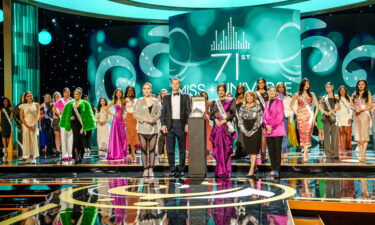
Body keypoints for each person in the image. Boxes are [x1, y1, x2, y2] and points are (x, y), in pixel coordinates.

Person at [160, 78, 191, 178]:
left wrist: (187, 124)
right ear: (171, 85)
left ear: (179, 85)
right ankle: (172, 169)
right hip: (170, 125)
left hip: (181, 124)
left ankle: (181, 169)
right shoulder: (166, 97)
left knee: (182, 149)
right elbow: (163, 113)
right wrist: (163, 124)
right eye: (173, 84)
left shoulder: (186, 97)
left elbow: (188, 112)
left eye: (177, 83)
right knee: (170, 149)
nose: (175, 85)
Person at [59, 88, 96, 164]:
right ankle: (75, 156)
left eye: (77, 94)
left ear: (80, 95)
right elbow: (66, 114)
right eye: (75, 94)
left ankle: (80, 154)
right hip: (74, 124)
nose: (76, 95)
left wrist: (89, 123)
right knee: (75, 140)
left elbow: (89, 115)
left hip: (81, 124)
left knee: (81, 140)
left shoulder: (85, 103)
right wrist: (70, 117)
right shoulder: (70, 103)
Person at [210, 83, 237, 178]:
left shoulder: (231, 100)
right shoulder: (214, 101)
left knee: (226, 149)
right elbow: (212, 114)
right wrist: (216, 120)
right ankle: (219, 170)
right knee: (218, 149)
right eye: (219, 90)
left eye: (222, 89)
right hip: (217, 128)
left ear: (225, 90)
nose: (221, 91)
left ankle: (226, 170)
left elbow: (233, 113)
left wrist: (224, 121)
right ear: (217, 91)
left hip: (226, 127)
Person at [134, 82, 161, 177]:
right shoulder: (139, 101)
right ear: (142, 90)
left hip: (153, 127)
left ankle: (151, 169)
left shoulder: (156, 101)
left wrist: (153, 119)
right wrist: (144, 119)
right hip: (142, 128)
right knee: (144, 149)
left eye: (148, 88)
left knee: (152, 149)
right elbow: (135, 114)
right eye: (145, 88)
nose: (146, 90)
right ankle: (145, 168)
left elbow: (159, 112)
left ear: (151, 89)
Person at [290, 78, 319, 162]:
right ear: (302, 85)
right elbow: (291, 105)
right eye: (305, 84)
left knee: (308, 133)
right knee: (302, 133)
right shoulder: (297, 94)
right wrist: (297, 113)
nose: (307, 86)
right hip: (301, 116)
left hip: (309, 116)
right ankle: (305, 150)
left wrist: (314, 116)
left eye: (308, 84)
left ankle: (306, 151)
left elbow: (317, 106)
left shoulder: (312, 94)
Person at [237, 91, 262, 177]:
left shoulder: (258, 106)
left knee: (254, 150)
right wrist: (244, 131)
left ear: (253, 97)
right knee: (250, 150)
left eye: (251, 96)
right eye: (247, 96)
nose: (249, 98)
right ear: (245, 97)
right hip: (245, 128)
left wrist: (252, 131)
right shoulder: (243, 106)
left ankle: (251, 169)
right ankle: (254, 166)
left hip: (255, 129)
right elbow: (240, 120)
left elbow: (259, 120)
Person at [263, 86, 285, 177]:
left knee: (277, 150)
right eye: (270, 91)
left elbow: (279, 117)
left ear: (276, 93)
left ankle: (277, 169)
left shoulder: (279, 102)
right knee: (271, 150)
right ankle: (273, 168)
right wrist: (266, 125)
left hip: (277, 129)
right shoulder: (266, 103)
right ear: (268, 92)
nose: (272, 92)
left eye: (273, 91)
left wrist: (270, 126)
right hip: (268, 130)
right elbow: (263, 116)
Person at [351, 80, 373, 163]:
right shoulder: (354, 94)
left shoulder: (368, 94)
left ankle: (363, 154)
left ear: (365, 85)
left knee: (365, 135)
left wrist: (362, 109)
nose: (361, 86)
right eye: (359, 84)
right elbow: (351, 105)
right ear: (357, 85)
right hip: (356, 116)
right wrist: (355, 109)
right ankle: (361, 153)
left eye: (362, 84)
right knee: (359, 136)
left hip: (365, 115)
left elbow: (370, 106)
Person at [319, 82, 340, 160]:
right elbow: (320, 107)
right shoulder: (323, 97)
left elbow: (339, 107)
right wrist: (324, 112)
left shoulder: (336, 97)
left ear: (332, 87)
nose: (327, 88)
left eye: (329, 87)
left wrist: (331, 111)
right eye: (326, 87)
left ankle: (335, 153)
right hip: (325, 117)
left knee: (334, 135)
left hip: (333, 116)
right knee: (326, 135)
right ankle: (327, 153)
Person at [106, 88, 127, 160]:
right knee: (116, 136)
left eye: (120, 93)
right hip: (116, 120)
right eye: (117, 93)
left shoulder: (124, 101)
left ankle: (122, 152)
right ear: (115, 94)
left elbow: (127, 108)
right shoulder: (114, 101)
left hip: (122, 120)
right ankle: (116, 153)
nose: (119, 94)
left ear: (122, 94)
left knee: (123, 136)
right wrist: (113, 114)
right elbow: (106, 108)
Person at [20, 91, 40, 163]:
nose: (30, 97)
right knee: (26, 139)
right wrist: (26, 125)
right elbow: (21, 117)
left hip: (33, 124)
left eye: (31, 95)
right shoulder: (22, 106)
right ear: (25, 98)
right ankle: (27, 155)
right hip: (25, 124)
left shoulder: (36, 104)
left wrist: (33, 123)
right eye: (28, 96)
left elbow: (38, 115)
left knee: (33, 139)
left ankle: (32, 156)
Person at [53, 88, 73, 161]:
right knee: (63, 136)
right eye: (66, 92)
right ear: (63, 93)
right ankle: (64, 154)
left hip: (70, 119)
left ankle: (70, 154)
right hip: (62, 119)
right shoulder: (60, 100)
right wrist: (59, 114)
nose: (67, 94)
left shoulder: (71, 100)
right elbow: (54, 108)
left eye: (68, 92)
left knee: (70, 136)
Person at [277, 83, 293, 159]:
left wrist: (288, 114)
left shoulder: (288, 97)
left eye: (282, 87)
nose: (280, 88)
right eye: (279, 87)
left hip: (284, 117)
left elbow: (292, 106)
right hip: (275, 118)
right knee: (277, 136)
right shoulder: (275, 96)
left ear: (284, 88)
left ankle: (283, 152)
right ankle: (277, 152)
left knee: (284, 135)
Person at [124, 86, 140, 163]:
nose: (130, 92)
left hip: (136, 119)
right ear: (126, 91)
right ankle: (132, 153)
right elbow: (121, 110)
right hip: (129, 118)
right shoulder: (125, 100)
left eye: (131, 90)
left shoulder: (137, 100)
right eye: (129, 90)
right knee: (130, 136)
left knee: (135, 136)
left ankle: (134, 153)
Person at [337, 86, 353, 155]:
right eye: (341, 90)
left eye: (343, 90)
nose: (342, 91)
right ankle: (343, 148)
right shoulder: (337, 98)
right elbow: (336, 109)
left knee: (346, 132)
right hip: (340, 117)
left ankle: (346, 147)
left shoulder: (349, 98)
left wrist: (350, 117)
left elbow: (351, 108)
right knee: (341, 132)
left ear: (345, 91)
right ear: (339, 91)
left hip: (347, 117)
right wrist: (337, 118)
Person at [256, 78, 268, 161]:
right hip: (256, 116)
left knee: (264, 136)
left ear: (264, 84)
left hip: (266, 116)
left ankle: (264, 154)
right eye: (259, 83)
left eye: (262, 83)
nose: (260, 84)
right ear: (257, 84)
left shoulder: (268, 93)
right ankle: (258, 154)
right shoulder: (255, 94)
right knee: (257, 136)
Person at [233, 84, 246, 158]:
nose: (240, 89)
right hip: (237, 119)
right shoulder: (236, 99)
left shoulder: (245, 98)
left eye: (241, 88)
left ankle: (241, 151)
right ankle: (241, 151)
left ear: (244, 89)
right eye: (238, 88)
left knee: (242, 134)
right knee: (240, 133)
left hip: (244, 119)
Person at [157, 89, 168, 158]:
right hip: (160, 122)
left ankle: (166, 153)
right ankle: (161, 153)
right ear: (161, 95)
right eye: (163, 93)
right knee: (161, 138)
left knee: (167, 138)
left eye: (165, 93)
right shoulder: (158, 103)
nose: (164, 94)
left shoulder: (169, 102)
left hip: (168, 122)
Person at [52, 92, 62, 156]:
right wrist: (52, 117)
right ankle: (58, 150)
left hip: (62, 120)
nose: (57, 98)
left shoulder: (63, 103)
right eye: (55, 97)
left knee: (61, 135)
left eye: (58, 96)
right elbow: (47, 112)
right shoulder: (53, 104)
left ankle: (61, 149)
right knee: (57, 135)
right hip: (56, 121)